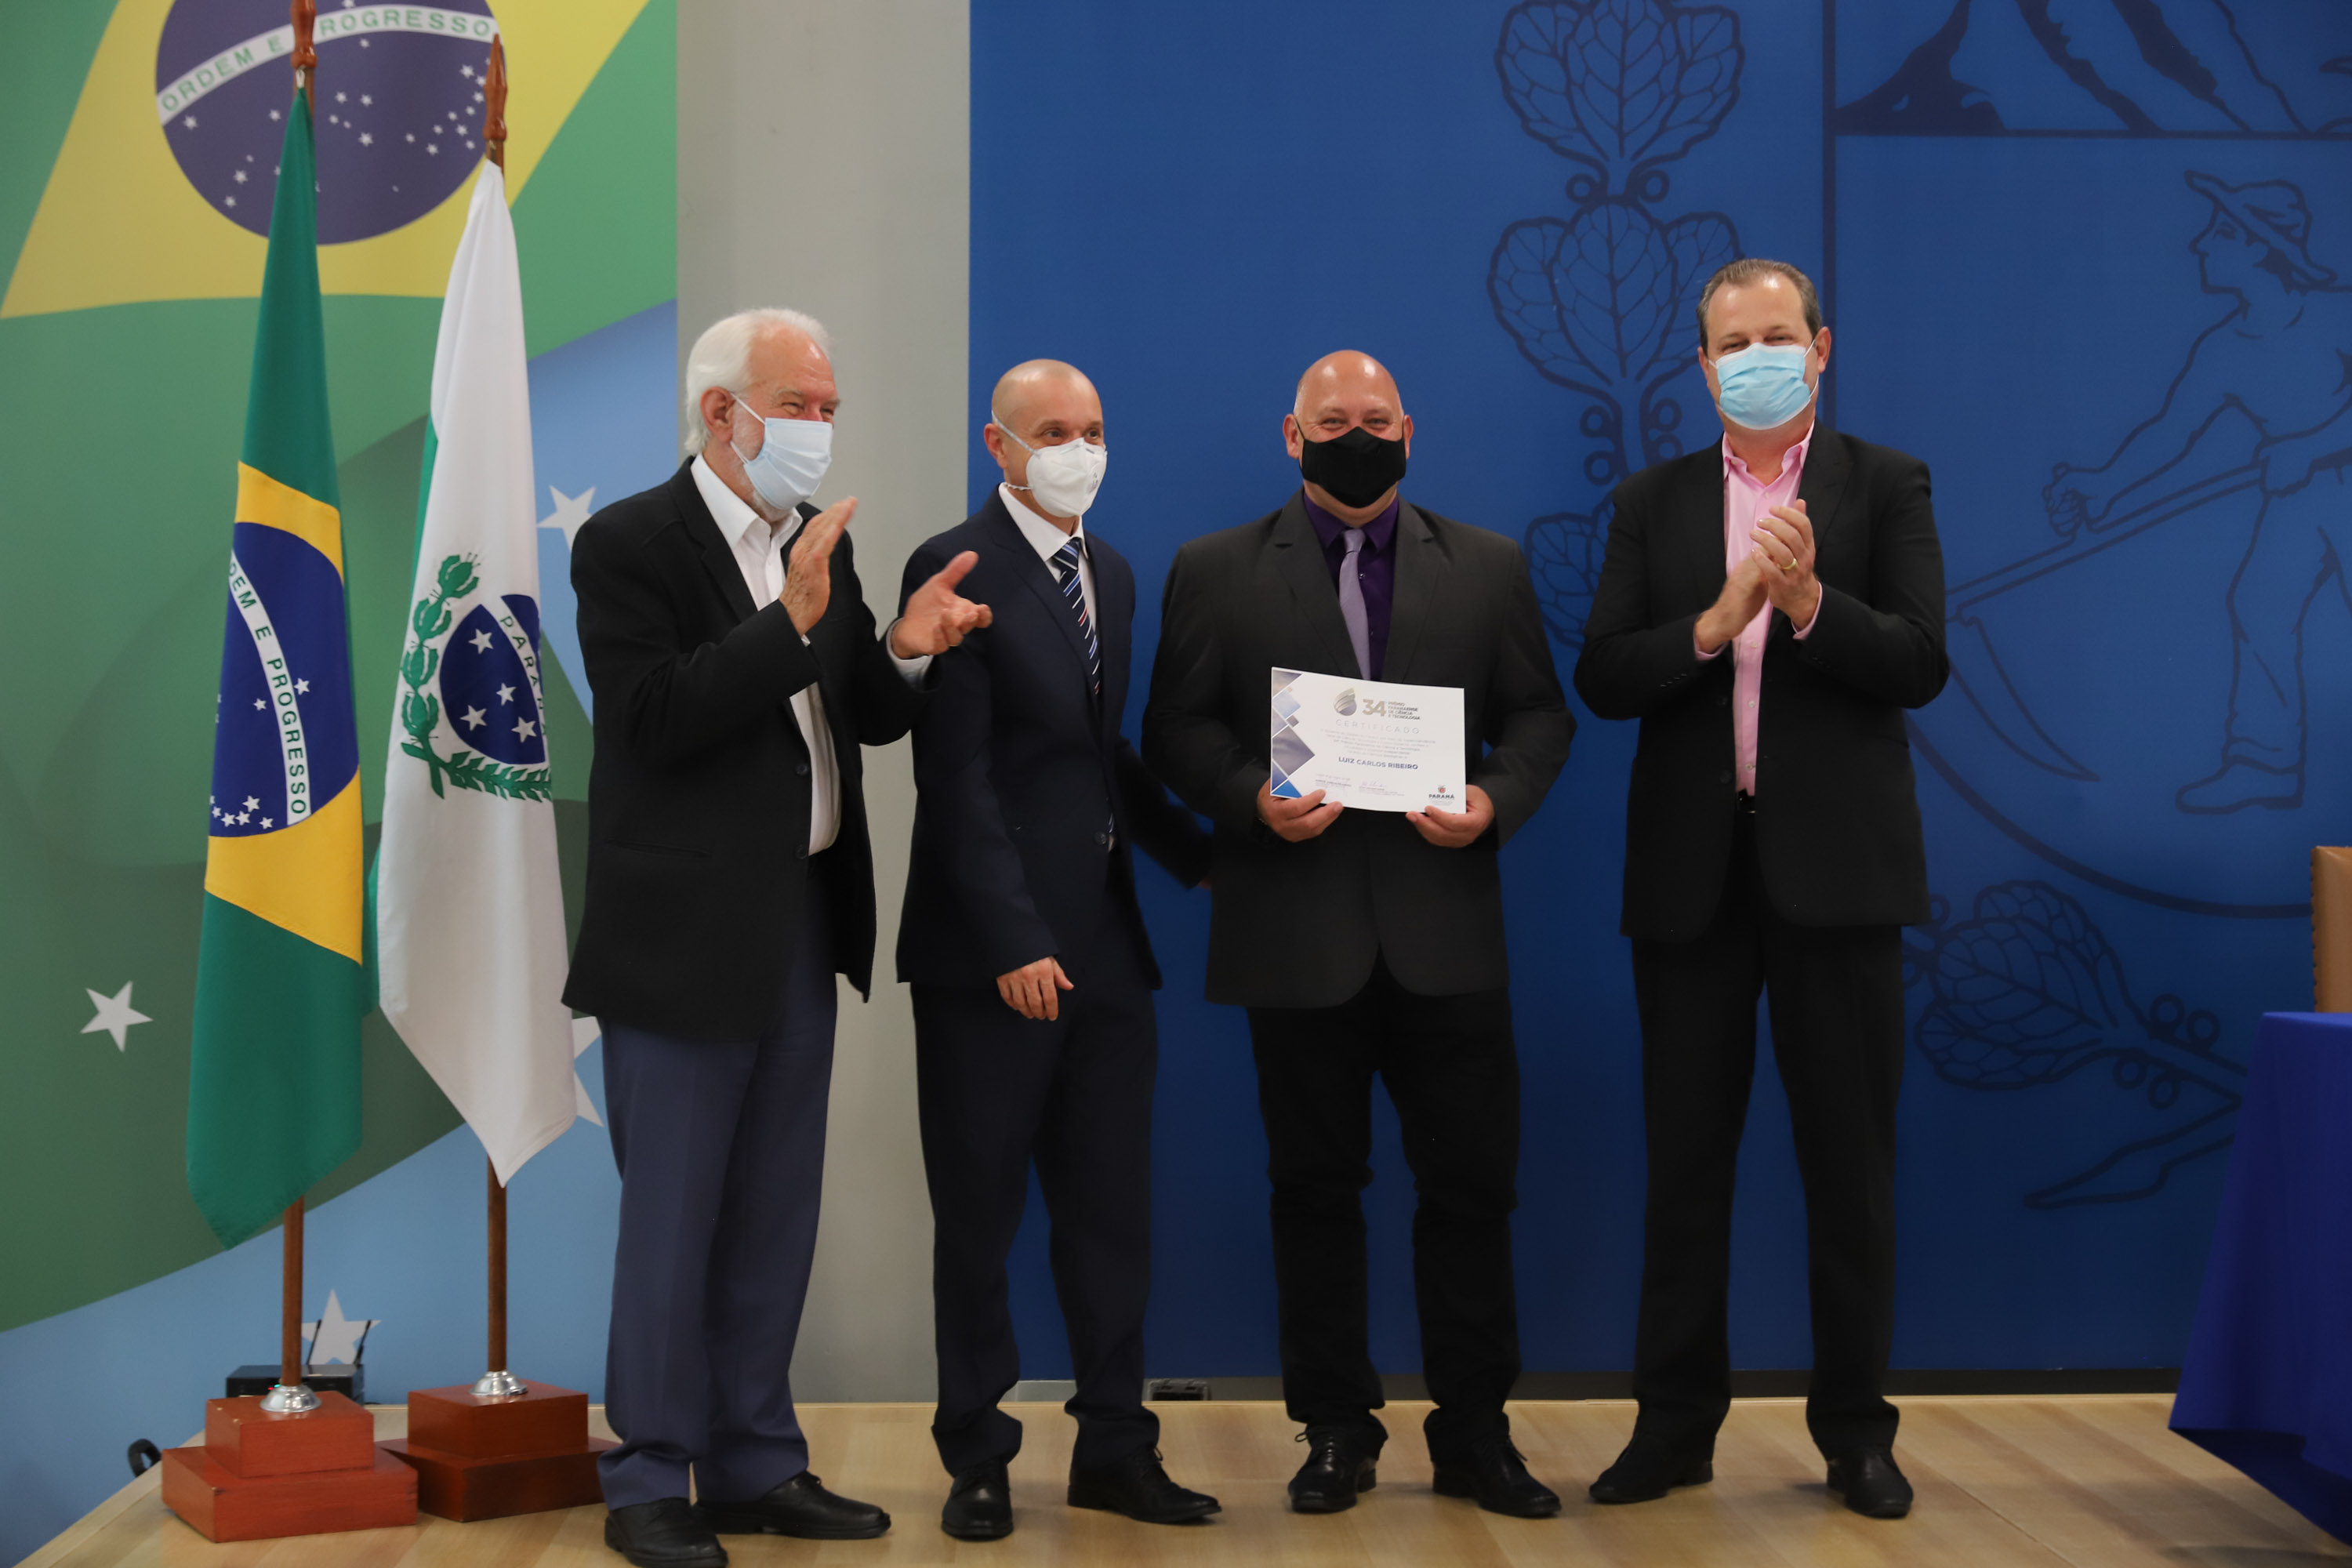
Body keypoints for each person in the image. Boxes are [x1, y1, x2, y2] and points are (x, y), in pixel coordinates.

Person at [564, 307, 990, 1568]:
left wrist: (903, 650)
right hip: (681, 938)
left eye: (827, 408)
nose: (819, 428)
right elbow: (650, 718)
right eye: (798, 406)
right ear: (722, 413)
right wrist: (789, 625)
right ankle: (651, 1472)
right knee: (673, 1221)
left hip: (803, 922)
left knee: (771, 1214)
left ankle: (754, 1460)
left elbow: (860, 714)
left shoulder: (816, 545)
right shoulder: (628, 542)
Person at [1142, 351, 1573, 1519]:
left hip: (1448, 936)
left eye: (1375, 418)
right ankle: (1335, 1429)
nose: (1356, 435)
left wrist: (1494, 801)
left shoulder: (1487, 564)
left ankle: (1476, 1434)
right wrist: (1250, 798)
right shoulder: (1214, 567)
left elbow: (1542, 714)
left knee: (1472, 1192)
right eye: (1331, 420)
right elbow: (1174, 728)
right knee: (1313, 1192)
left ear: (1410, 430)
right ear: (1292, 435)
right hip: (1296, 935)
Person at [1573, 259, 1947, 1520]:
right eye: (1733, 344)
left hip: (1839, 882)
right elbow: (1604, 675)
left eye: (1778, 336)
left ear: (1821, 348)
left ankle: (1856, 1433)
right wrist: (1715, 618)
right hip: (1693, 882)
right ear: (1702, 366)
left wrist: (1809, 605)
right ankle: (1674, 1427)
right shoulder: (1653, 501)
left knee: (1852, 1170)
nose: (1757, 359)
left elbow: (1920, 661)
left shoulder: (1885, 484)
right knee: (1686, 1168)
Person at [895, 359, 1217, 1540]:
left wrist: (1204, 855)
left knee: (1111, 1214)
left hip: (1108, 949)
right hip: (992, 959)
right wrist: (1014, 941)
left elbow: (1096, 752)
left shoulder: (1111, 573)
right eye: (1052, 431)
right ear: (1000, 445)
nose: (1078, 449)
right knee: (979, 1219)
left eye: (1092, 429)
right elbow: (957, 776)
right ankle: (976, 1455)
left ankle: (1116, 1446)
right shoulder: (953, 566)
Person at [2047, 172, 2352, 813]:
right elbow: (2172, 432)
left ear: (2259, 247)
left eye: (2220, 233)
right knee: (2260, 604)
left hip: (2334, 482)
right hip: (2295, 494)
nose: (2199, 244)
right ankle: (2264, 764)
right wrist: (2104, 484)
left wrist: (2312, 447)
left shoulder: (2335, 312)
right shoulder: (2226, 346)